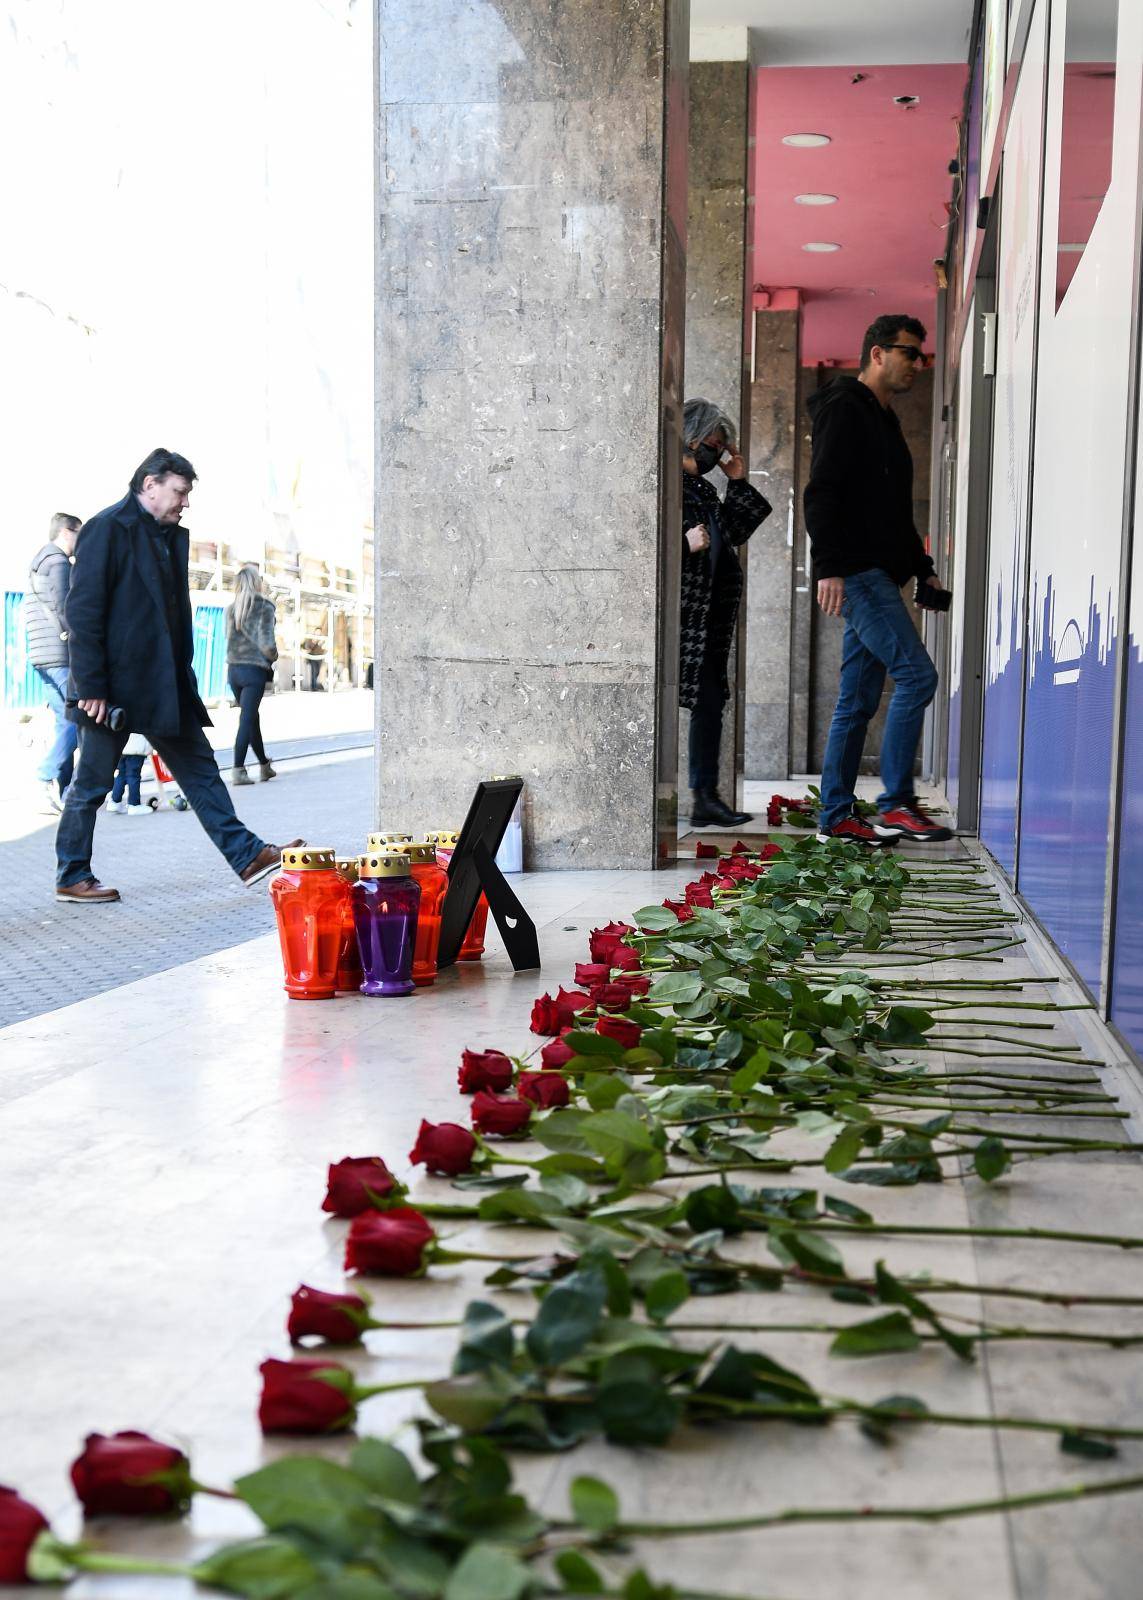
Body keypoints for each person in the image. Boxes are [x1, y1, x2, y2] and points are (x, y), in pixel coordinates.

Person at [55, 447, 302, 904]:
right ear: (150, 484)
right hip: (112, 689)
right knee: (91, 782)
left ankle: (247, 854)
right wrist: (90, 686)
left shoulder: (167, 536)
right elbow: (83, 611)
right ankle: (71, 873)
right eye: (180, 491)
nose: (185, 502)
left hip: (164, 684)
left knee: (201, 770)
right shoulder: (106, 529)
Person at [804, 314, 953, 846]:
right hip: (860, 573)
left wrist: (924, 567)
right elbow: (821, 492)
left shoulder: (884, 421)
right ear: (876, 354)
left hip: (880, 572)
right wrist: (830, 568)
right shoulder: (846, 409)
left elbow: (894, 512)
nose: (918, 363)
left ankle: (837, 817)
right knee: (918, 677)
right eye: (910, 353)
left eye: (922, 356)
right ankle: (895, 804)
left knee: (856, 700)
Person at [681, 398, 772, 828]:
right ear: (690, 437)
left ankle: (705, 797)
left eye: (719, 448)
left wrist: (737, 480)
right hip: (684, 616)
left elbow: (735, 531)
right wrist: (685, 545)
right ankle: (700, 796)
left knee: (712, 702)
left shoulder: (703, 488)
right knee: (698, 701)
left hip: (711, 614)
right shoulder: (668, 484)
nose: (715, 454)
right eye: (712, 445)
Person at [26, 512, 82, 812]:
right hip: (60, 655)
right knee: (77, 723)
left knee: (65, 721)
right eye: (79, 534)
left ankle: (65, 792)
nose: (79, 542)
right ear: (66, 532)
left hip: (41, 655)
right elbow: (66, 607)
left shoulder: (38, 562)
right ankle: (46, 777)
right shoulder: (58, 562)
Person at [226, 564, 278, 786]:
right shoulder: (264, 606)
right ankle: (238, 769)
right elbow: (267, 643)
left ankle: (264, 766)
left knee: (251, 718)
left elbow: (228, 640)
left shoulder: (232, 608)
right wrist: (273, 656)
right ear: (257, 582)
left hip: (234, 671)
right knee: (247, 719)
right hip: (253, 671)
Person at [106, 732, 151, 815]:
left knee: (121, 774)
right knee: (133, 775)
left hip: (121, 745)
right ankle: (134, 804)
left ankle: (115, 801)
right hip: (136, 746)